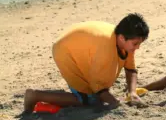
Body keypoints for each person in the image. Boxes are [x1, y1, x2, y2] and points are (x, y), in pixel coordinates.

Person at [21, 13, 150, 114]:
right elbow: (98, 88)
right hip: (65, 50)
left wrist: (132, 93)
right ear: (122, 37)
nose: (138, 47)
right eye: (135, 44)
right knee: (89, 100)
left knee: (96, 94)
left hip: (84, 46)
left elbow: (131, 69)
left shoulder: (125, 41)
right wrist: (115, 103)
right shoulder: (105, 50)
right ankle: (35, 95)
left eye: (139, 43)